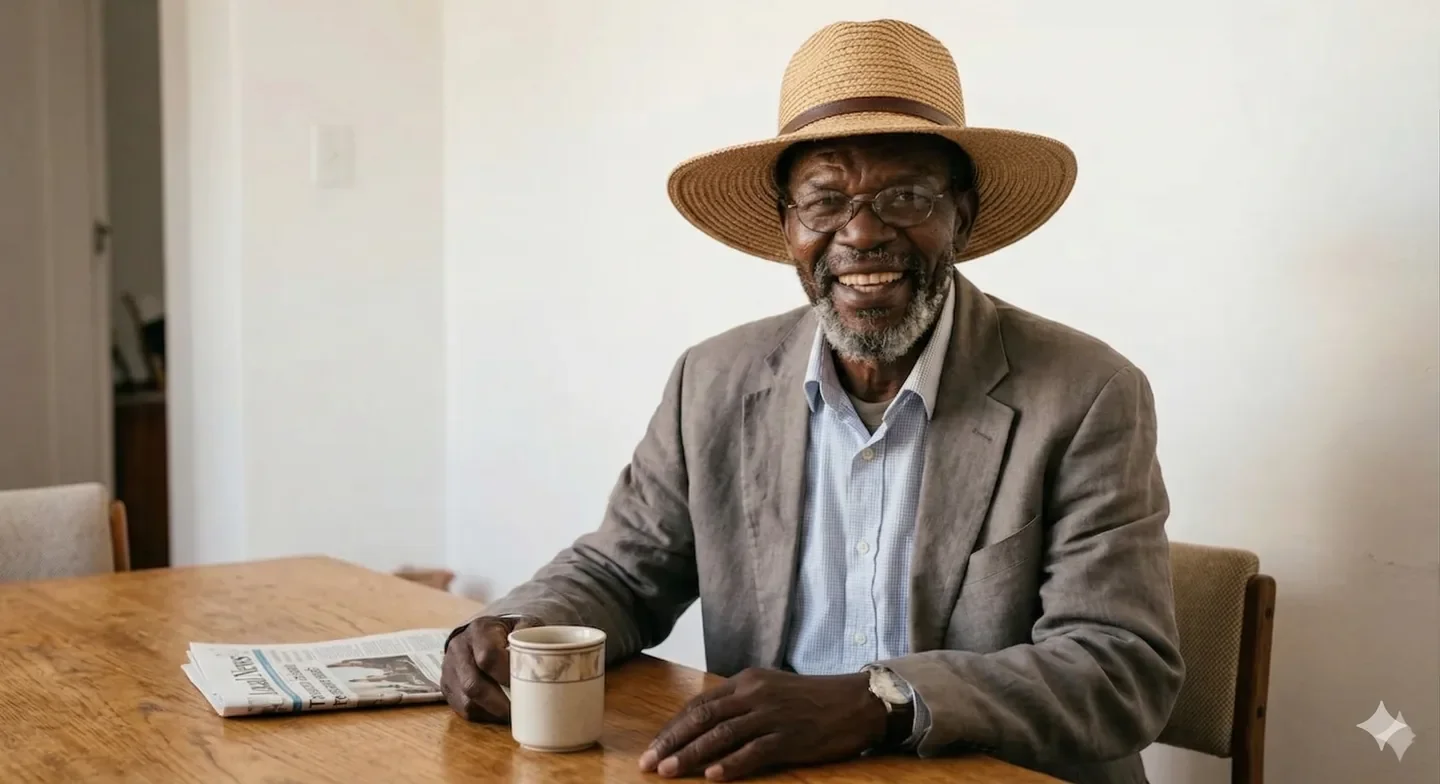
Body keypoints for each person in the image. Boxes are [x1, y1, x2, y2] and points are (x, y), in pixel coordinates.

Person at [441, 18, 1184, 784]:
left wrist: (879, 700)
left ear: (960, 213)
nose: (862, 234)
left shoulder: (1086, 392)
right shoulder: (714, 381)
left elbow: (1120, 668)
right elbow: (621, 574)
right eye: (825, 201)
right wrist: (513, 629)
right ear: (786, 226)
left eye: (905, 196)